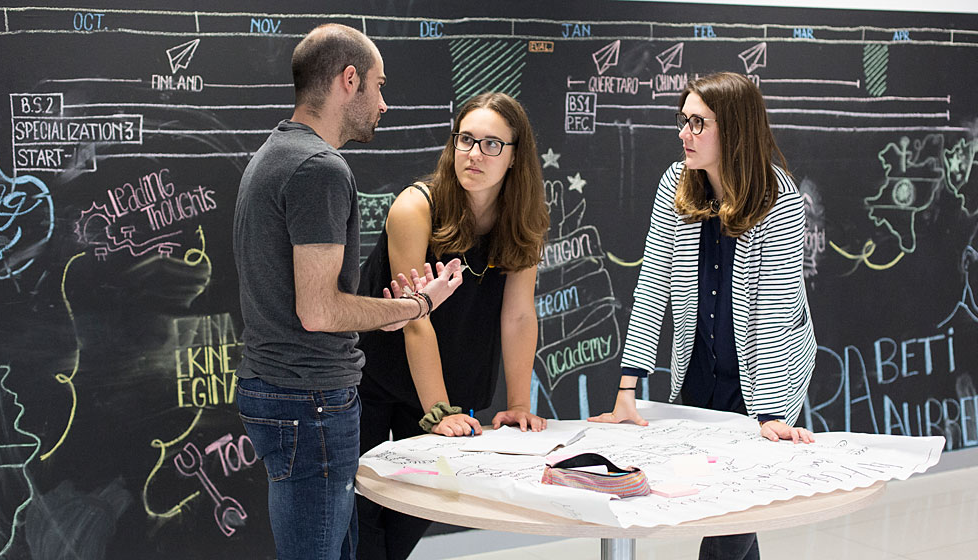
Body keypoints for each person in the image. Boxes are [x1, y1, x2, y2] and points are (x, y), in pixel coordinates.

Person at [232, 24, 463, 560]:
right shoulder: (320, 169)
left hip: (280, 390)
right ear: (349, 79)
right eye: (379, 87)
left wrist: (386, 311)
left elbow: (311, 301)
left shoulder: (276, 153)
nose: (384, 104)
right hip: (309, 401)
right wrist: (417, 305)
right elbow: (318, 310)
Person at [589, 72, 816, 560]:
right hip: (699, 374)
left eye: (698, 122)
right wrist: (626, 392)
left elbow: (775, 313)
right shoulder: (677, 184)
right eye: (683, 120)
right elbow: (652, 288)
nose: (683, 133)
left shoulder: (779, 198)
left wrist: (772, 415)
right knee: (725, 510)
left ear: (733, 129)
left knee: (729, 521)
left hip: (760, 378)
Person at [355, 92, 550, 560]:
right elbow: (413, 316)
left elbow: (519, 314)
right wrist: (438, 413)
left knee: (407, 523)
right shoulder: (415, 207)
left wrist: (519, 403)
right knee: (358, 522)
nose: (474, 154)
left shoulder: (523, 221)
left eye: (491, 144)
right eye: (466, 140)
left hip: (452, 380)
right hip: (374, 377)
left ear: (515, 156)